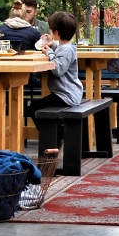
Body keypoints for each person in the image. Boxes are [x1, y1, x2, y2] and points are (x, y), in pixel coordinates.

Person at [29, 11, 83, 147]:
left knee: (34, 108)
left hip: (66, 96)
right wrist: (52, 45)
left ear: (56, 32)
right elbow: (59, 49)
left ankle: (56, 136)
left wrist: (49, 52)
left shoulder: (67, 50)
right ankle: (55, 134)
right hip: (65, 94)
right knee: (36, 107)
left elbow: (58, 69)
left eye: (51, 29)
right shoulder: (66, 47)